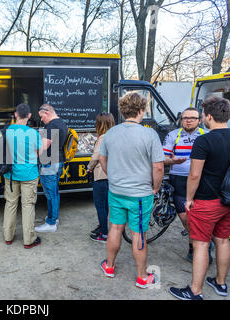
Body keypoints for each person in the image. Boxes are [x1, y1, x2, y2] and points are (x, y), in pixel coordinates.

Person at [98, 91, 165, 289]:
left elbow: (102, 158)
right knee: (139, 234)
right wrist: (156, 187)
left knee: (115, 228)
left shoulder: (111, 133)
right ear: (141, 110)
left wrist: (111, 175)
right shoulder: (149, 134)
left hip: (116, 191)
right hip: (140, 194)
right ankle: (143, 277)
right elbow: (159, 167)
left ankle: (109, 266)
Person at [169, 96, 230, 300]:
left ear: (209, 116)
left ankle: (195, 291)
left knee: (201, 244)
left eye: (203, 115)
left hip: (206, 200)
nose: (202, 118)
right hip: (227, 199)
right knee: (222, 241)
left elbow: (194, 175)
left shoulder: (204, 140)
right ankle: (220, 283)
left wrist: (188, 199)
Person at [163, 108, 212, 263]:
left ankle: (198, 246)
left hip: (202, 180)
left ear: (199, 120)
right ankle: (198, 243)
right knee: (185, 218)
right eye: (185, 118)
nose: (188, 120)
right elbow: (163, 158)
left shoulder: (207, 135)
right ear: (181, 120)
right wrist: (172, 161)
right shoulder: (173, 135)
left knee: (201, 217)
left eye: (192, 118)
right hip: (179, 180)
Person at [3, 103, 43, 249]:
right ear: (30, 116)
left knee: (10, 204)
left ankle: (8, 236)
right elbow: (39, 153)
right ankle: (29, 239)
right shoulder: (34, 133)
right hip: (29, 174)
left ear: (15, 114)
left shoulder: (7, 131)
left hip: (11, 174)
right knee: (28, 206)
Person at [34, 104, 67, 233]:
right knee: (54, 192)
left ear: (47, 113)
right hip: (57, 161)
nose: (41, 120)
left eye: (42, 116)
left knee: (50, 194)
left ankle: (51, 223)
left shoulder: (52, 125)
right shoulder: (62, 123)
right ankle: (54, 217)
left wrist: (30, 156)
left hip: (49, 163)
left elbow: (43, 147)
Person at [87, 112, 115, 242]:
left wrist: (89, 168)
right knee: (106, 205)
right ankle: (102, 226)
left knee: (100, 206)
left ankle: (104, 234)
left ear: (100, 124)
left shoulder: (103, 137)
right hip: (111, 176)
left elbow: (96, 156)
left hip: (101, 176)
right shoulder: (115, 135)